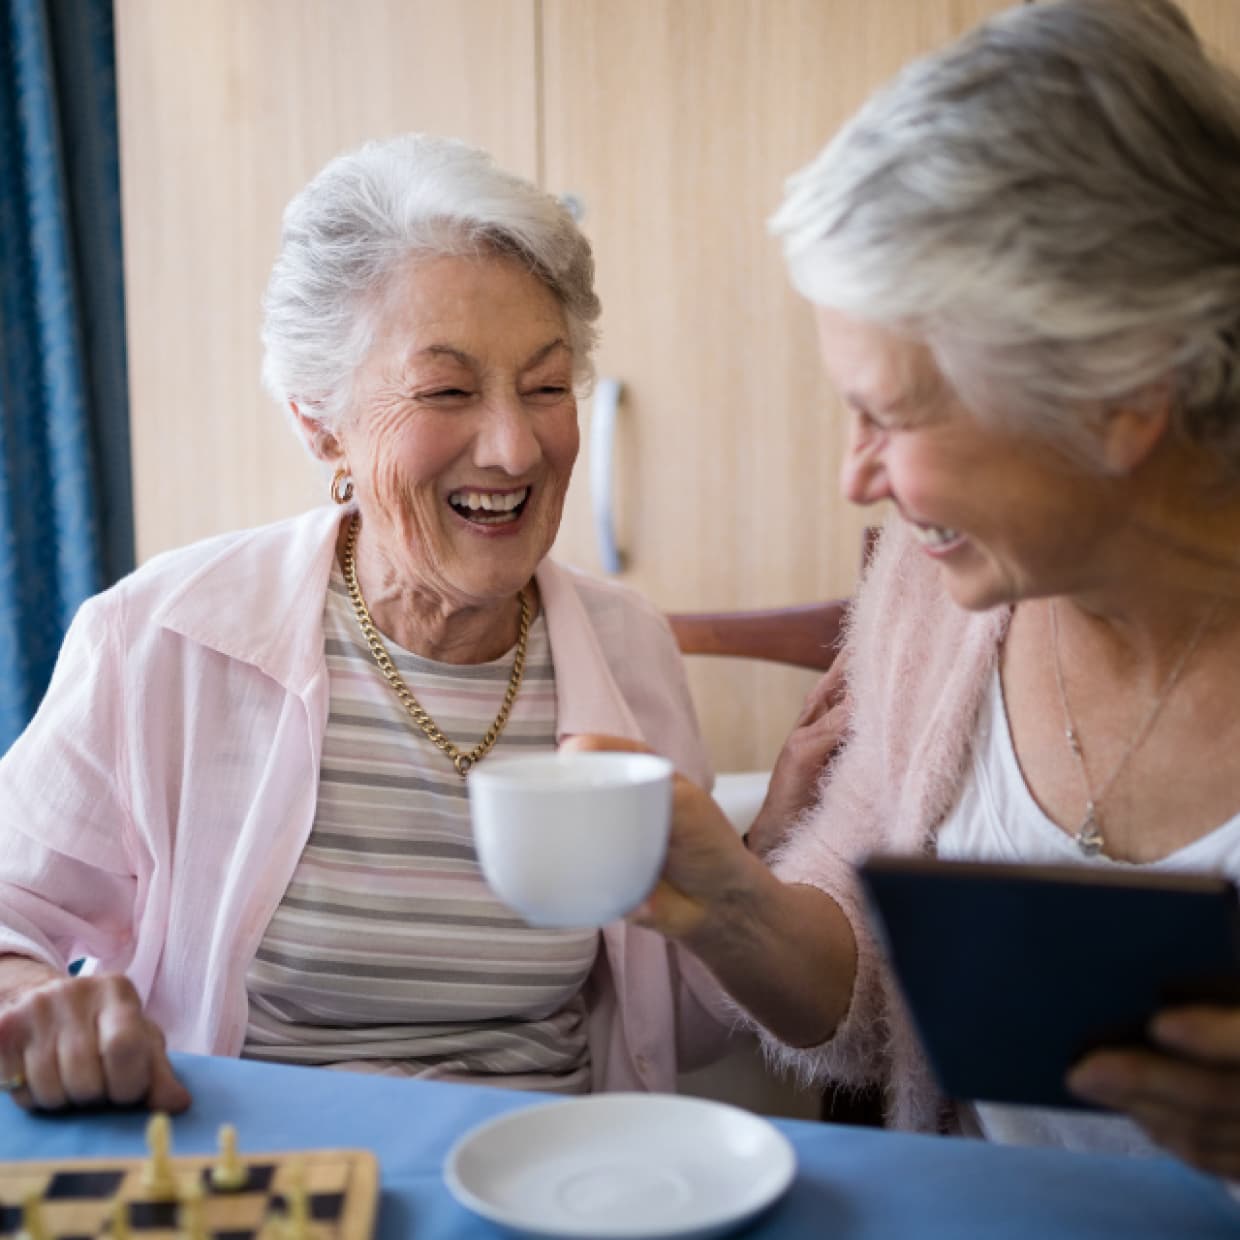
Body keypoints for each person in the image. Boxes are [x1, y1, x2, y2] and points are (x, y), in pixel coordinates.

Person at [570, 0, 1240, 1181]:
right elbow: (869, 982)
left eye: (891, 414)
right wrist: (730, 898)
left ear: (1124, 395)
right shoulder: (942, 588)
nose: (853, 477)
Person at [0, 133, 732, 1112]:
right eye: (447, 391)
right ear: (320, 420)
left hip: (545, 1182)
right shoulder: (161, 637)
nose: (515, 448)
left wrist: (767, 856)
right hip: (263, 1180)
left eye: (547, 386)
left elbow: (672, 1024)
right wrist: (38, 997)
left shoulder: (626, 646)